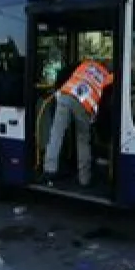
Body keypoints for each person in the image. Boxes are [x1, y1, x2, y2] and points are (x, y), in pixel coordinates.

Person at [42, 58, 113, 187]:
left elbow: (66, 73)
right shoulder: (108, 76)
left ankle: (49, 171)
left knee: (56, 135)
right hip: (84, 104)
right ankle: (84, 179)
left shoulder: (86, 65)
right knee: (83, 140)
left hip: (65, 95)